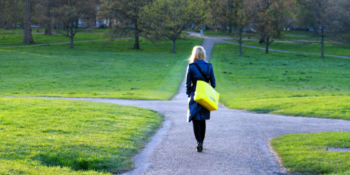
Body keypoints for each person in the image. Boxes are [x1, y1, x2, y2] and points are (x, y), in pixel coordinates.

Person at [186, 46, 216, 152]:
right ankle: (201, 141)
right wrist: (207, 90)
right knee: (203, 119)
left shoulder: (191, 66)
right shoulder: (209, 66)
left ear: (194, 54)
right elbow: (213, 83)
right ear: (203, 54)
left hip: (195, 94)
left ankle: (198, 142)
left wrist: (189, 94)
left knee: (195, 118)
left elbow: (187, 84)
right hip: (205, 95)